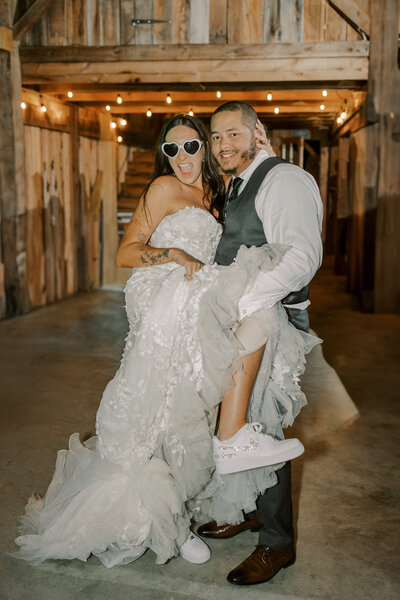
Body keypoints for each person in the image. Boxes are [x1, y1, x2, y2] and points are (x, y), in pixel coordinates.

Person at [12, 114, 317, 570]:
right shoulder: (160, 189)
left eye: (193, 146)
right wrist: (171, 254)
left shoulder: (222, 194)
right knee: (155, 406)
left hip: (200, 310)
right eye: (171, 150)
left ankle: (193, 514)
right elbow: (125, 252)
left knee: (189, 409)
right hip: (166, 304)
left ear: (207, 150)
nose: (183, 158)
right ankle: (165, 528)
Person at [197, 101, 323, 585]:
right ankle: (245, 510)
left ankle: (276, 543)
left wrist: (243, 303)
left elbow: (301, 258)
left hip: (271, 321)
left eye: (233, 133)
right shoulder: (238, 183)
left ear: (257, 133)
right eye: (216, 136)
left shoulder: (284, 180)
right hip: (242, 318)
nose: (224, 144)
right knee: (236, 420)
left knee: (263, 424)